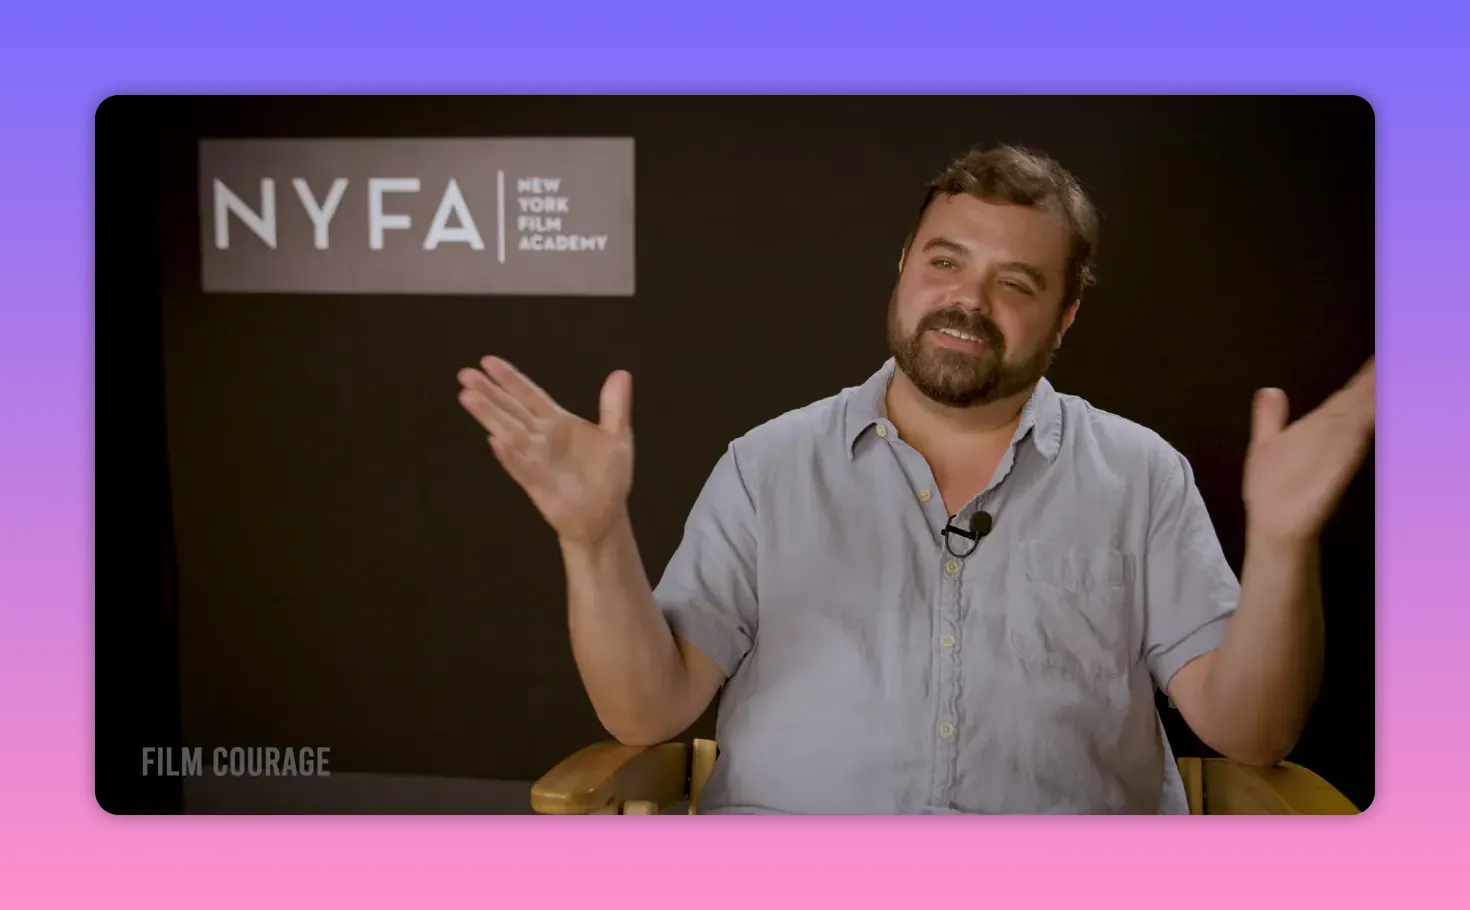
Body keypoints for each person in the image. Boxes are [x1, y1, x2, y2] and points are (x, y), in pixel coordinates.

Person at [455, 144, 1375, 814]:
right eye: (945, 262)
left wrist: (1287, 546)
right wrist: (593, 539)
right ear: (903, 270)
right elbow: (646, 706)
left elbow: (1254, 736)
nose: (969, 301)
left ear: (1065, 318)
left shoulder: (1142, 475)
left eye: (1016, 282)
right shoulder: (766, 466)